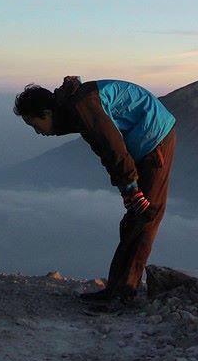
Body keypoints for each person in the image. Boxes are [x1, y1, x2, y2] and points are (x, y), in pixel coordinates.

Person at [14, 76, 176, 302]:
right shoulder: (72, 107)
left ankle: (123, 294)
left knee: (146, 215)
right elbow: (109, 150)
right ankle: (118, 289)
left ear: (46, 113)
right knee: (135, 216)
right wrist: (128, 188)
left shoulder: (81, 107)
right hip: (142, 138)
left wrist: (130, 187)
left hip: (154, 137)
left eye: (34, 124)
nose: (37, 132)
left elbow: (112, 149)